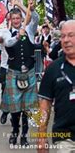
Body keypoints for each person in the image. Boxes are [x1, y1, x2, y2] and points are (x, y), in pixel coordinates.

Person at [0, 0, 39, 147]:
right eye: (13, 19)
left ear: (22, 19)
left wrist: (24, 6)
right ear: (10, 20)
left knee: (26, 108)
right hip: (13, 72)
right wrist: (17, 36)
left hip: (29, 72)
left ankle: (24, 136)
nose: (16, 21)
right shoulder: (6, 32)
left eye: (18, 18)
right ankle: (15, 131)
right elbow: (7, 43)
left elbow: (35, 18)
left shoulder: (29, 30)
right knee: (15, 107)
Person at [37, 20, 75, 153]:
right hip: (65, 136)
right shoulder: (53, 69)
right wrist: (41, 137)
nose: (65, 40)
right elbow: (45, 104)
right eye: (63, 36)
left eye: (71, 35)